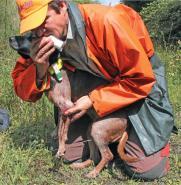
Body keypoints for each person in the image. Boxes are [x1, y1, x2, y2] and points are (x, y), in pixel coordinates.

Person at [11, 0, 175, 180]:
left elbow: (140, 78)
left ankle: (133, 134)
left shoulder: (106, 21)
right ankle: (108, 133)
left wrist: (92, 100)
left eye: (44, 20)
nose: (40, 31)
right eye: (33, 27)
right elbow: (23, 91)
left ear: (62, 6)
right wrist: (40, 67)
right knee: (69, 155)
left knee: (147, 170)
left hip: (139, 87)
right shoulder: (43, 40)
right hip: (101, 89)